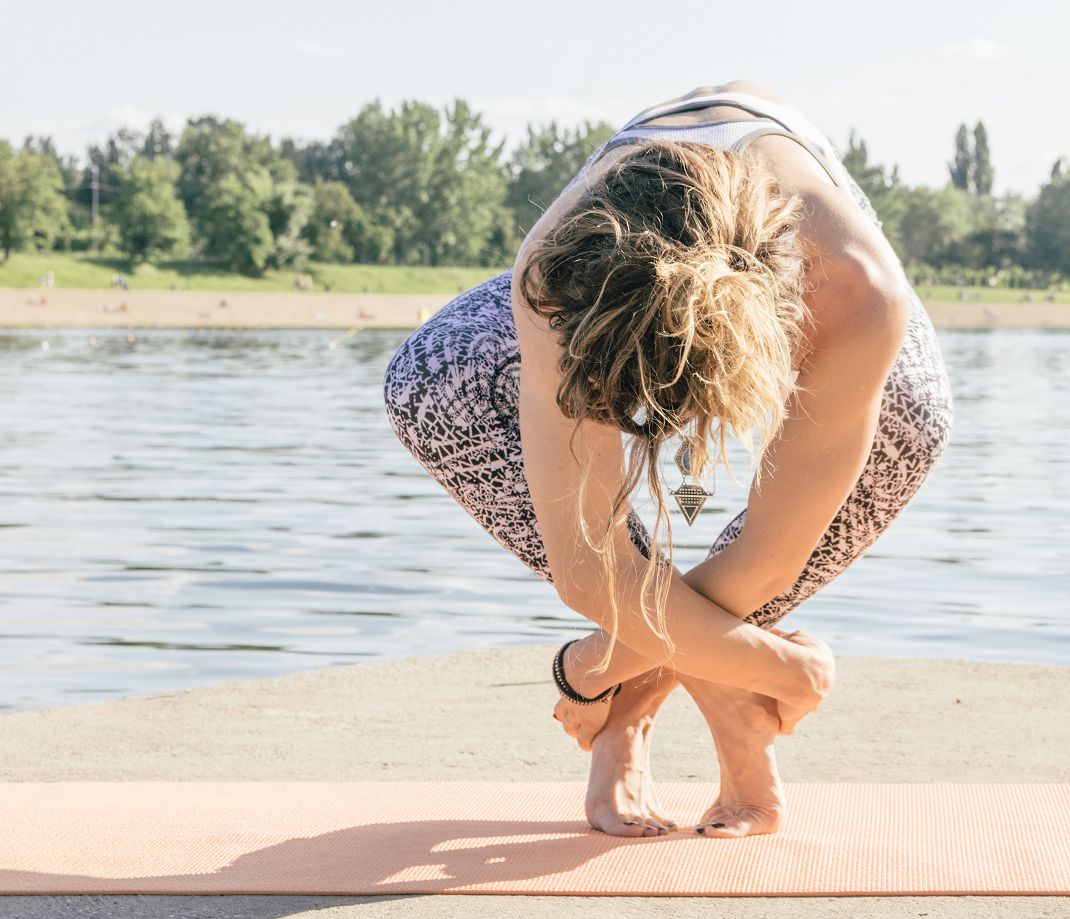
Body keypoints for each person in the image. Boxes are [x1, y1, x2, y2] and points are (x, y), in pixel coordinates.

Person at [383, 81, 953, 839]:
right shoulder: (557, 283)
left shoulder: (853, 290)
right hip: (612, 279)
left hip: (805, 285)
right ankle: (722, 697)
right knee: (431, 382)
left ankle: (634, 705)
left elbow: (769, 562)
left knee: (911, 421)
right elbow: (588, 569)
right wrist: (784, 670)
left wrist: (591, 669)